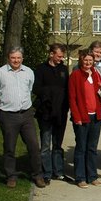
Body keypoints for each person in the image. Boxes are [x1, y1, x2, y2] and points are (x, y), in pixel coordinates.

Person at [0, 47, 45, 189]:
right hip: (7, 115)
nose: (16, 60)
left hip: (26, 114)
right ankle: (11, 176)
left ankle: (37, 175)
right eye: (13, 58)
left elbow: (30, 90)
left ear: (22, 58)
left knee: (33, 146)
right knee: (9, 147)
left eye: (18, 58)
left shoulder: (28, 72)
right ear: (8, 58)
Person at [69, 51, 101, 188]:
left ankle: (92, 176)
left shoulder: (95, 74)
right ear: (81, 61)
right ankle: (80, 177)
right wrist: (77, 116)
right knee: (81, 148)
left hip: (95, 116)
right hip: (82, 117)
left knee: (92, 148)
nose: (88, 63)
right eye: (86, 60)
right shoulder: (75, 75)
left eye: (91, 61)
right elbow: (72, 98)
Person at [33, 44, 69, 185]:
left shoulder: (64, 69)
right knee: (46, 144)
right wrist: (51, 94)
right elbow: (36, 88)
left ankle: (58, 172)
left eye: (62, 56)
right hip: (46, 112)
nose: (61, 59)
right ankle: (46, 173)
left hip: (60, 112)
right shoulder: (41, 69)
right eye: (59, 56)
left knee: (58, 144)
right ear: (51, 54)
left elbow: (67, 89)